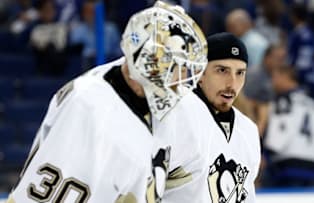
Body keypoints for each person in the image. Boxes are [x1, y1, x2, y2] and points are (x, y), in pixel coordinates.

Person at [5, 1, 208, 202]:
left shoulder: (141, 95)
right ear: (151, 61)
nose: (182, 77)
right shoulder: (89, 105)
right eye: (178, 65)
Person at [159, 32, 261, 203]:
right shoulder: (178, 113)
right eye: (222, 70)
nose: (232, 83)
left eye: (240, 73)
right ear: (200, 73)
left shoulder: (248, 130)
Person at [263, 64, 314, 187]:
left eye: (274, 77)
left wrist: (265, 155)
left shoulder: (284, 101)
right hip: (313, 165)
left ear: (285, 76)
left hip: (288, 166)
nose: (272, 82)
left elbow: (278, 138)